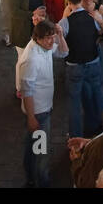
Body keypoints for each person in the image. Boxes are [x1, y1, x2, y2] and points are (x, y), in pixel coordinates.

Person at [16, 19, 69, 187]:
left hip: (44, 107)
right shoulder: (31, 59)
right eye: (48, 38)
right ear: (37, 38)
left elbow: (63, 53)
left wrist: (60, 35)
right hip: (39, 111)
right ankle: (42, 181)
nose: (51, 41)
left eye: (52, 37)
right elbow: (27, 90)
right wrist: (32, 117)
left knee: (32, 146)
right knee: (41, 151)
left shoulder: (44, 46)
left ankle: (31, 177)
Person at [61, 0, 103, 138]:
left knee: (94, 94)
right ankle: (95, 127)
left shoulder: (100, 9)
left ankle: (97, 127)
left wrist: (99, 19)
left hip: (91, 56)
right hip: (85, 57)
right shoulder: (71, 10)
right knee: (89, 94)